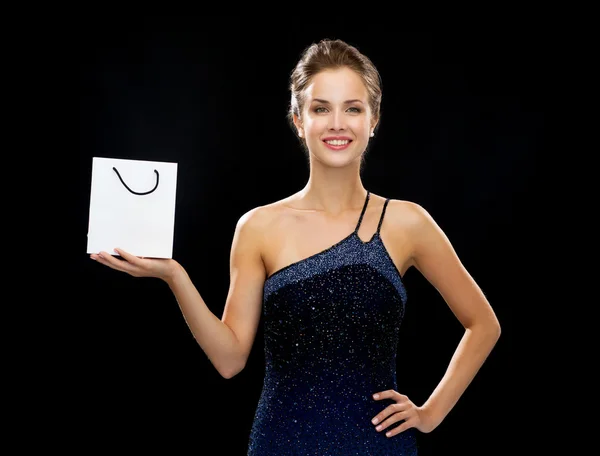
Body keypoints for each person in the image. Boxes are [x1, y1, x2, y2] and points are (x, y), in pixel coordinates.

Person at [90, 38, 501, 455]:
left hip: (377, 446)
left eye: (352, 108)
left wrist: (429, 413)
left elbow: (484, 325)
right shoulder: (259, 226)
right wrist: (175, 276)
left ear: (373, 119)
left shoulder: (407, 222)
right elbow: (230, 360)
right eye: (321, 108)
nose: (337, 123)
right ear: (298, 119)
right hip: (281, 442)